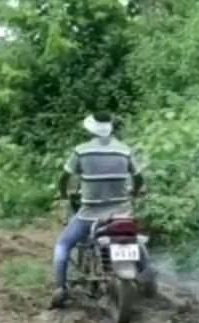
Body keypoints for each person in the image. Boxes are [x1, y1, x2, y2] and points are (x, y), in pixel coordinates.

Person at [50, 112, 152, 309]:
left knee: (63, 245)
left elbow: (64, 178)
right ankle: (147, 278)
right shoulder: (124, 151)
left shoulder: (81, 152)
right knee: (136, 241)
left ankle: (60, 289)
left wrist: (64, 194)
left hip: (90, 216)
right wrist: (135, 192)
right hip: (121, 214)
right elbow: (139, 179)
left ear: (90, 129)